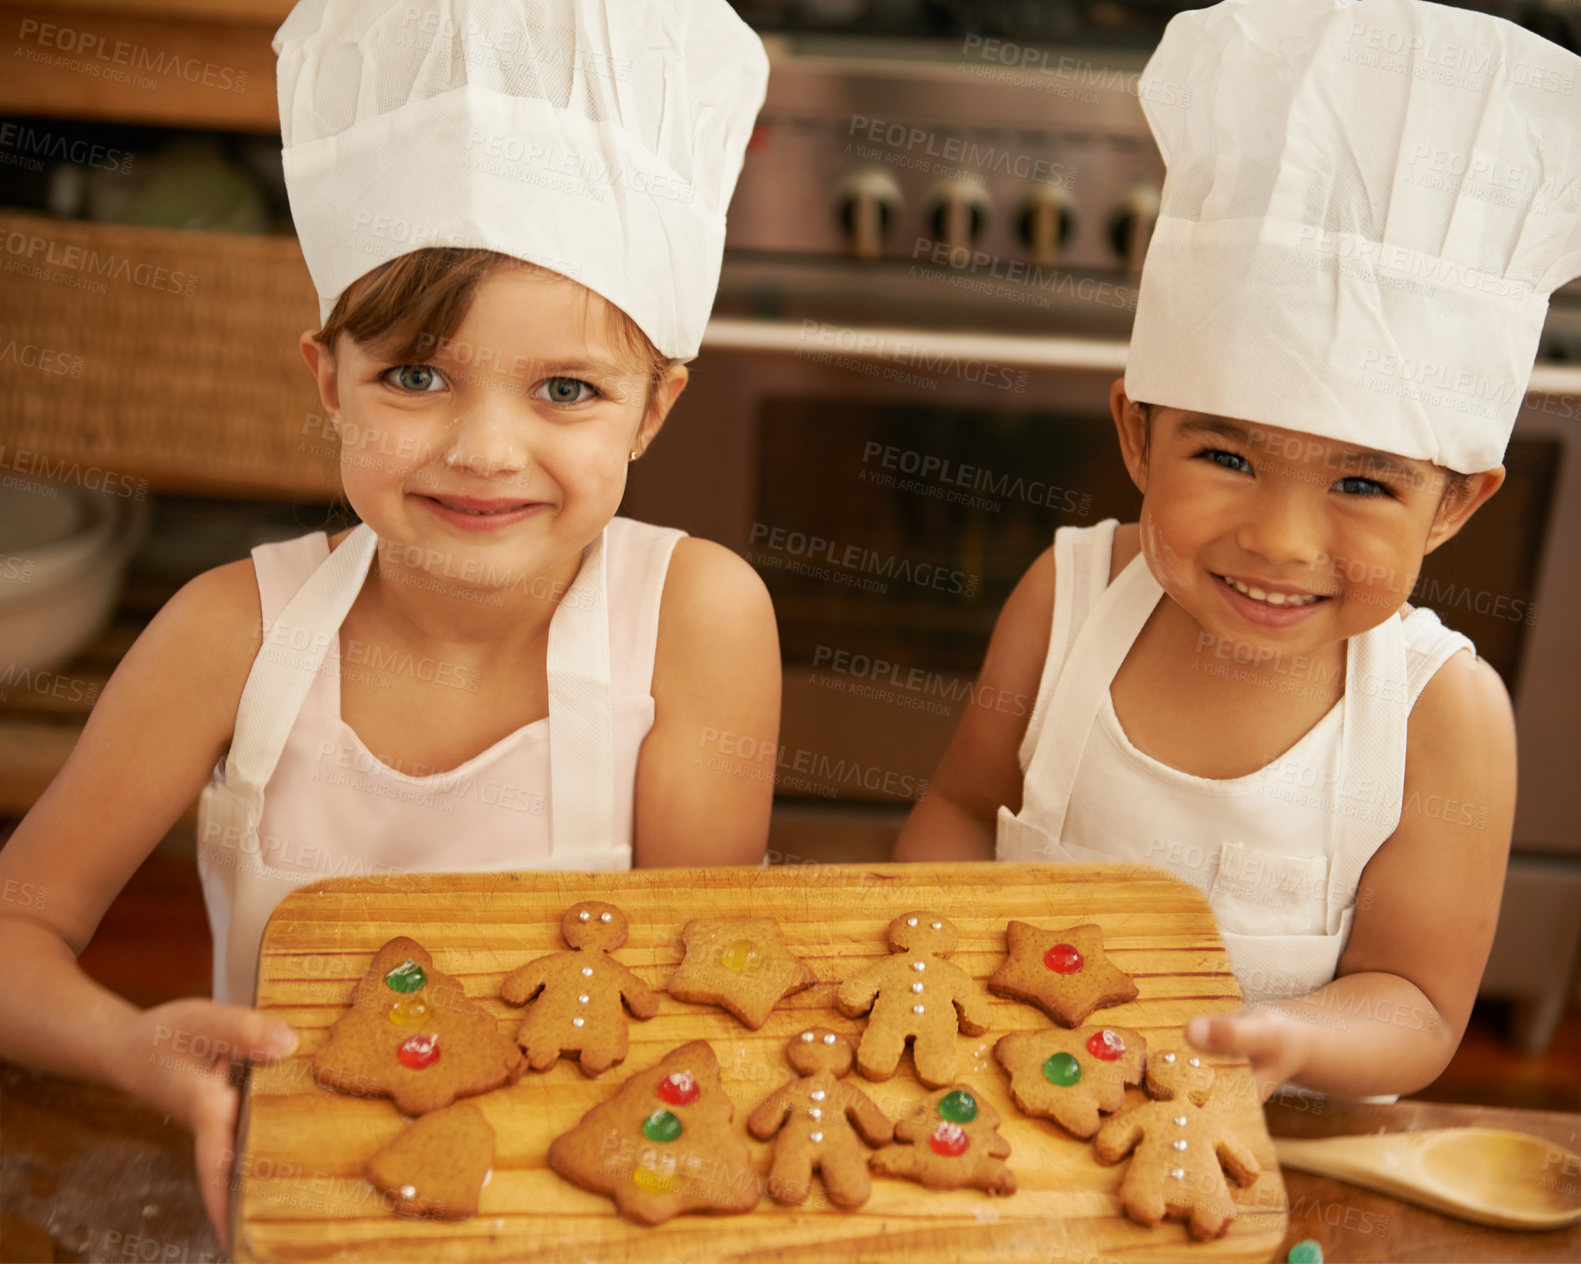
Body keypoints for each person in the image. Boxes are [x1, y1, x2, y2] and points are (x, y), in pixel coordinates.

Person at [0, 0, 773, 1236]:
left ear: (653, 410)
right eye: (416, 375)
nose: (482, 450)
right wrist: (131, 1042)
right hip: (296, 1217)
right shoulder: (229, 635)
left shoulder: (698, 621)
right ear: (328, 378)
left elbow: (698, 998)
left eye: (566, 389)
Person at [895, 0, 1581, 1102]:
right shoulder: (1065, 600)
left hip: (1274, 1161)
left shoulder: (1442, 718)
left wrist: (1287, 1039)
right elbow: (964, 810)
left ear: (1455, 506)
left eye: (1363, 482)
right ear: (1138, 432)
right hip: (999, 1112)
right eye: (1227, 455)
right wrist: (925, 962)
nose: (1281, 538)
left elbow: (1416, 999)